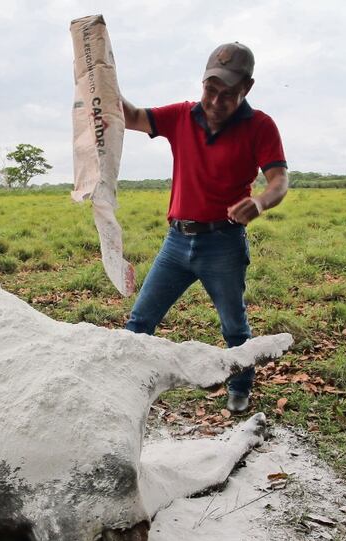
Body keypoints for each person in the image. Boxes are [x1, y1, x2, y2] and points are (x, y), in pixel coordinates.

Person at [121, 42, 289, 413]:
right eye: (210, 89)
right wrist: (98, 82)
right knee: (140, 320)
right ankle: (121, 383)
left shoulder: (260, 126)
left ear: (247, 87)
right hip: (176, 243)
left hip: (223, 244)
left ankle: (241, 385)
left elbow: (278, 180)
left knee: (233, 326)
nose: (215, 101)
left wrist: (259, 202)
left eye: (227, 94)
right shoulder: (181, 116)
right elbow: (131, 116)